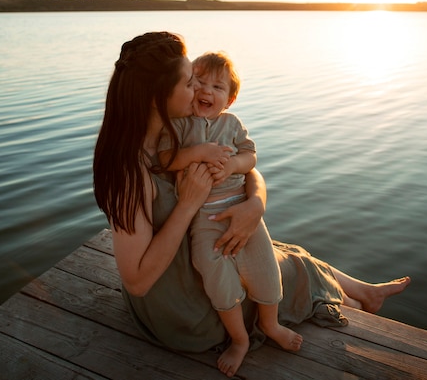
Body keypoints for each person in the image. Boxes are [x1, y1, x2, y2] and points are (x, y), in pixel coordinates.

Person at [93, 31, 410, 378]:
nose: (198, 90)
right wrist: (188, 205)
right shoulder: (130, 172)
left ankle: (363, 293)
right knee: (290, 268)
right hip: (183, 310)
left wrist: (255, 204)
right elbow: (137, 281)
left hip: (196, 256)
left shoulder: (181, 130)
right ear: (158, 96)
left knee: (279, 248)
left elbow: (246, 168)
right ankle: (354, 305)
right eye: (189, 83)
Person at [158, 51, 303, 374]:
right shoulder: (178, 126)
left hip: (238, 202)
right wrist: (198, 153)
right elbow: (165, 159)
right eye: (199, 83)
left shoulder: (232, 124)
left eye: (217, 87)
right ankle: (240, 339)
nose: (207, 92)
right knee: (213, 271)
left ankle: (271, 324)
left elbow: (251, 157)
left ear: (231, 98)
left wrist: (234, 165)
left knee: (265, 266)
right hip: (203, 217)